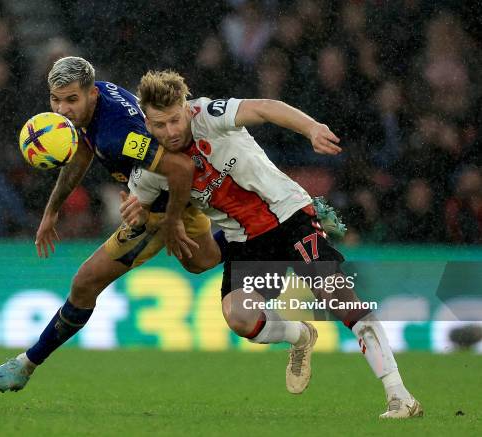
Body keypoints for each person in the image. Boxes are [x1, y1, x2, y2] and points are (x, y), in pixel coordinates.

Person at [122, 70, 422, 419]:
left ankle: (399, 395)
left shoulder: (209, 115)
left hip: (289, 213)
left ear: (186, 109)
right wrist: (135, 212)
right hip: (246, 242)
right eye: (159, 125)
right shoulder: (151, 163)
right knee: (239, 317)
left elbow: (265, 108)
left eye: (175, 120)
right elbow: (137, 206)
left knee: (337, 297)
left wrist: (310, 128)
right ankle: (300, 336)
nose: (170, 131)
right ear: (148, 121)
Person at [0, 57, 223, 392]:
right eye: (55, 99)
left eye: (71, 100)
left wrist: (169, 221)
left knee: (84, 283)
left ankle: (24, 365)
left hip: (161, 205)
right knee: (202, 261)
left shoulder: (117, 134)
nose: (62, 109)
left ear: (90, 93)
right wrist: (52, 211)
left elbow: (179, 168)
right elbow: (81, 152)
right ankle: (261, 230)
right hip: (162, 195)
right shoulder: (99, 99)